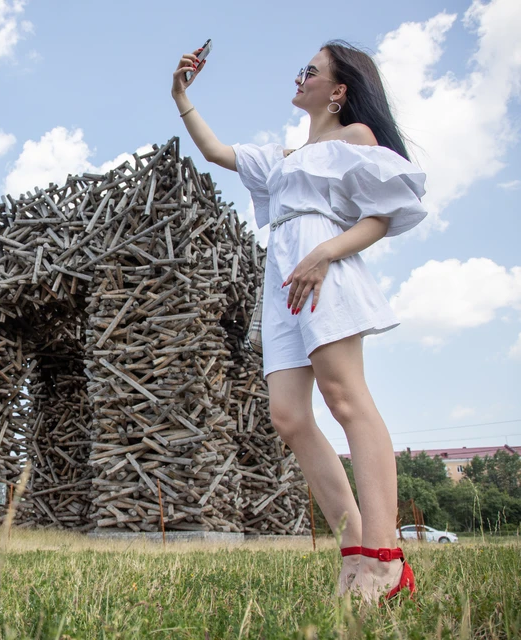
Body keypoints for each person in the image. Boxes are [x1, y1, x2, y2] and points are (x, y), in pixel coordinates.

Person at [172, 41, 426, 603]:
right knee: (287, 415)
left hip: (322, 263)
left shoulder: (354, 139)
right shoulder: (283, 158)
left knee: (346, 398)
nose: (300, 75)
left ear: (338, 91)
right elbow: (216, 151)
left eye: (311, 71)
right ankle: (355, 542)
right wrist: (181, 95)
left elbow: (382, 217)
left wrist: (326, 253)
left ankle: (385, 559)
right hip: (283, 274)